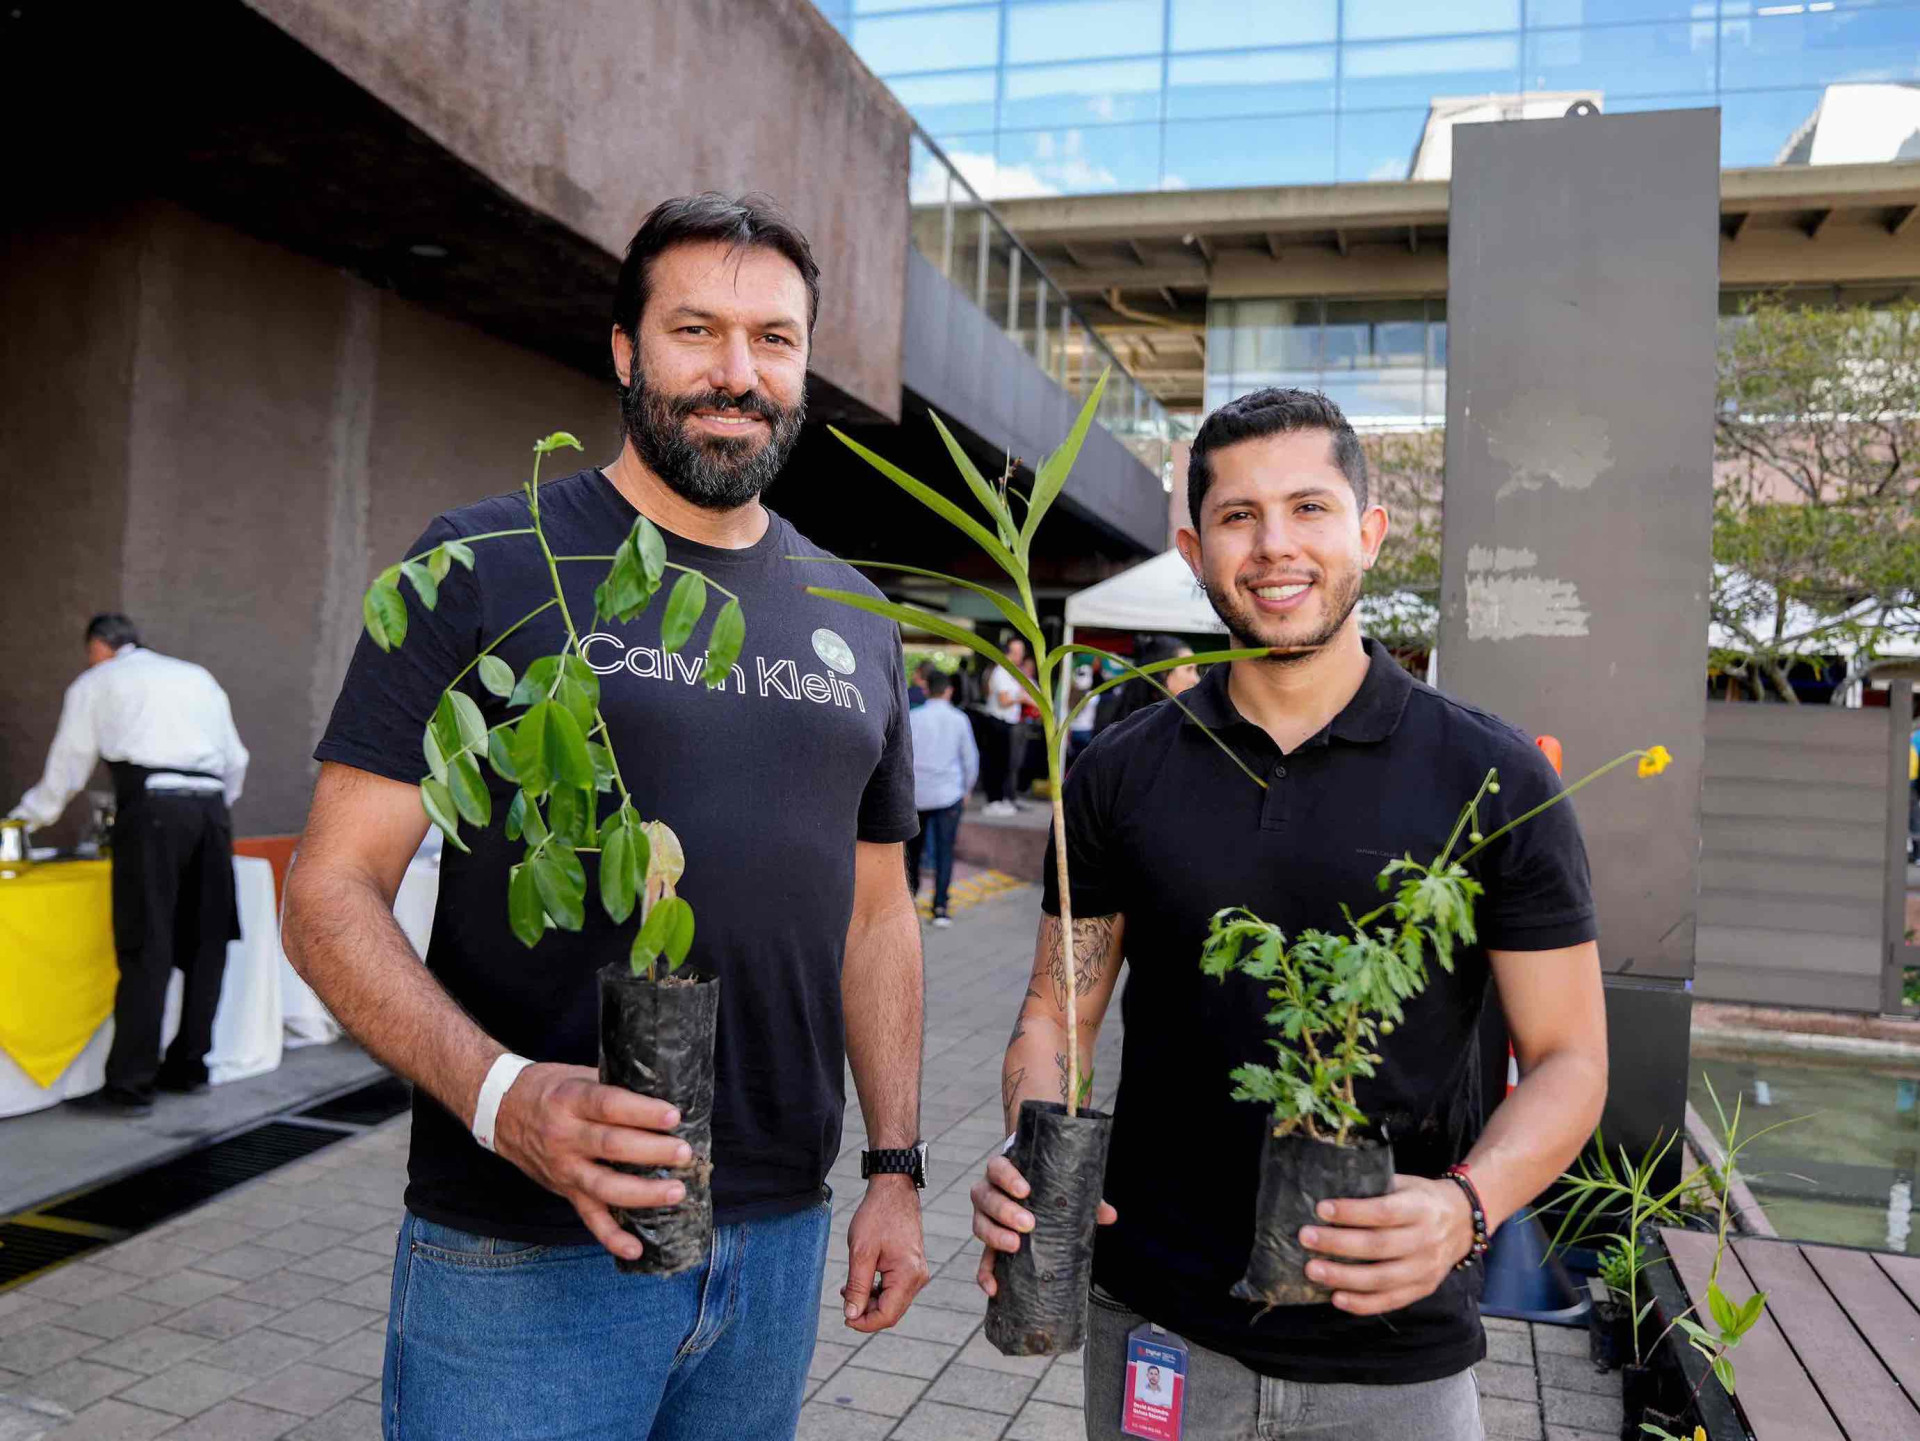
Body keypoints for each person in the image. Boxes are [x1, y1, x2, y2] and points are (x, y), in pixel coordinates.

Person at [285, 194, 930, 1441]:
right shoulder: (484, 565)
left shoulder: (856, 614)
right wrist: (503, 1097)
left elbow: (879, 916)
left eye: (775, 339)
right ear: (627, 352)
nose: (737, 374)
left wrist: (893, 1171)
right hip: (522, 1252)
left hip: (782, 1244)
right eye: (697, 330)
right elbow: (327, 891)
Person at [969, 388, 1607, 1440]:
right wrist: (1025, 1148)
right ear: (1193, 547)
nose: (1275, 547)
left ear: (1369, 528)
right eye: (1238, 516)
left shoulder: (1491, 778)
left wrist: (1467, 1207)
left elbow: (1571, 1056)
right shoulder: (1120, 774)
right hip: (1159, 1329)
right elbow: (1056, 1015)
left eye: (1309, 508)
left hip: (1396, 1349)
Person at [10, 614, 249, 1116]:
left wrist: (23, 822)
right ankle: (190, 1068)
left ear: (98, 646)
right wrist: (211, 809)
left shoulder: (98, 680)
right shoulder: (196, 676)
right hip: (211, 811)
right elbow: (236, 759)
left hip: (153, 810)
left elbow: (68, 766)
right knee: (207, 942)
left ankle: (130, 1086)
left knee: (147, 942)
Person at [905, 669, 978, 927]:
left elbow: (903, 757)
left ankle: (909, 902)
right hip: (949, 794)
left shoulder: (913, 717)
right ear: (949, 691)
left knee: (913, 850)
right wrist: (967, 789)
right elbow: (970, 759)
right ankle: (940, 908)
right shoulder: (959, 719)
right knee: (945, 851)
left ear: (926, 690)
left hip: (916, 795)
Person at [1093, 635, 1199, 736]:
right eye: (1188, 669)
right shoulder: (1114, 717)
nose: (1196, 679)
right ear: (1163, 672)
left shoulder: (1189, 718)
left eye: (1196, 670)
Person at [981, 636, 1029, 816]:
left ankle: (1001, 799)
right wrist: (1022, 698)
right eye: (1016, 652)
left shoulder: (1012, 673)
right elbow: (1004, 700)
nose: (1019, 655)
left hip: (1007, 723)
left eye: (1021, 652)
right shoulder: (1000, 672)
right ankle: (994, 800)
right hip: (997, 722)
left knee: (1005, 763)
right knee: (997, 763)